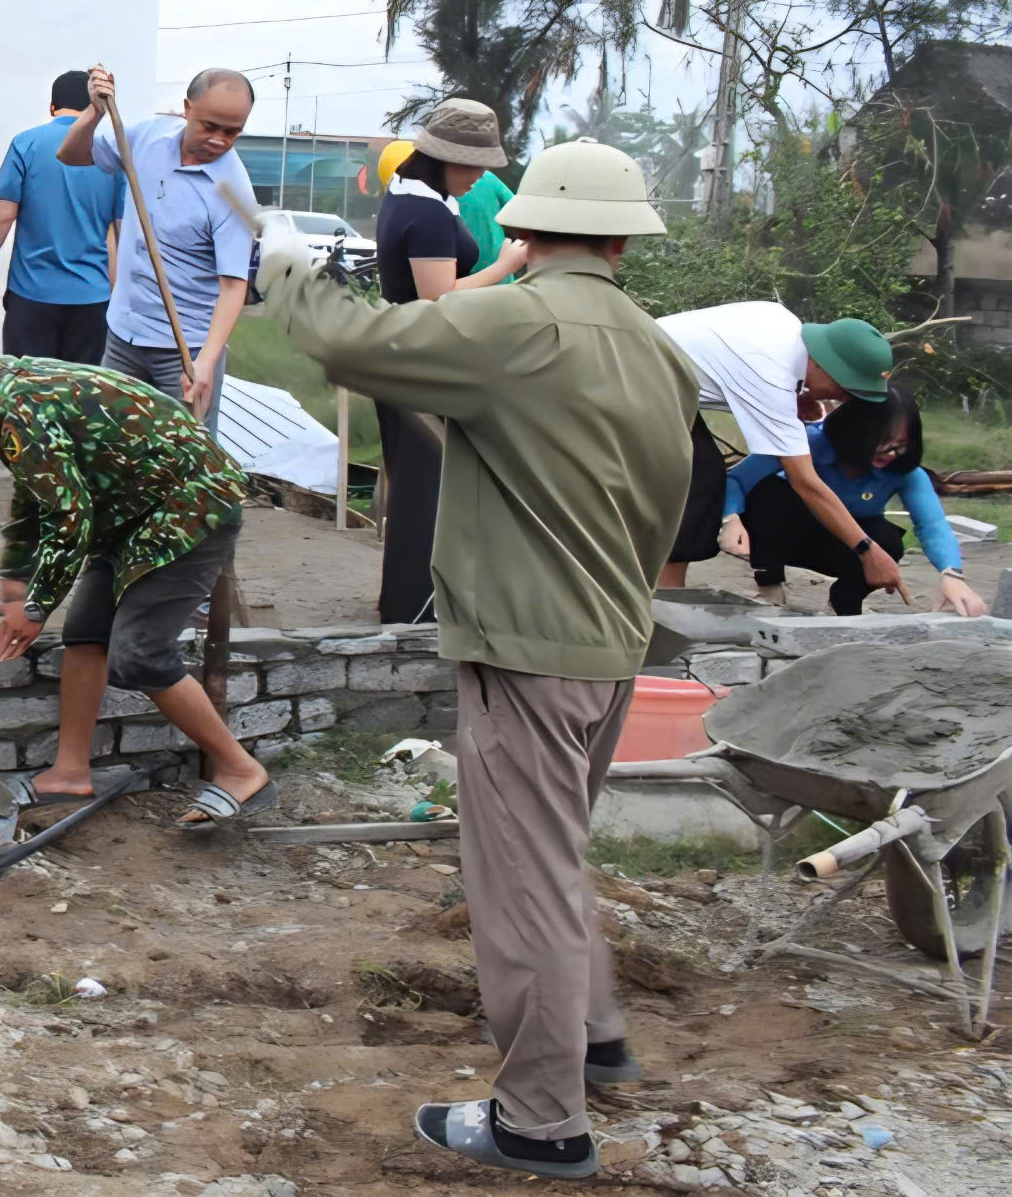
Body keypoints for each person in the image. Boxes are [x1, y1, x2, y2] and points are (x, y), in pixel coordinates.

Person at [252, 137, 697, 1181]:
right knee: (553, 858)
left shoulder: (516, 320)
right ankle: (593, 1033)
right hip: (604, 647)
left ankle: (541, 1118)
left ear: (521, 227)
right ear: (626, 241)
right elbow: (660, 511)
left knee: (519, 886)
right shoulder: (657, 348)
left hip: (526, 652)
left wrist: (278, 260)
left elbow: (354, 343)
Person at [0, 335, 275, 826]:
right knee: (86, 633)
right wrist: (17, 584)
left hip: (189, 509)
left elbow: (67, 515)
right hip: (131, 513)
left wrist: (36, 606)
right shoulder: (13, 386)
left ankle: (240, 769)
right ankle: (69, 772)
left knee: (140, 652)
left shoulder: (14, 407)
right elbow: (36, 493)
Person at [370, 100, 529, 623]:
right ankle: (416, 610)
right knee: (427, 488)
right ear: (441, 157)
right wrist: (505, 265)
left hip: (401, 353)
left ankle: (410, 604)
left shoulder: (408, 191)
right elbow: (438, 298)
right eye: (473, 165)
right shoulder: (428, 213)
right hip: (420, 359)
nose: (481, 176)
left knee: (418, 484)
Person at [57, 65, 259, 426]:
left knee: (184, 463)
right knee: (112, 446)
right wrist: (95, 112)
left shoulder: (234, 191)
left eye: (232, 133)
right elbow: (71, 154)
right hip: (123, 336)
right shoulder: (147, 138)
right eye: (209, 126)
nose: (219, 140)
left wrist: (206, 363)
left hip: (185, 352)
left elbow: (233, 287)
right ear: (187, 108)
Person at [654, 301, 900, 598]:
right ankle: (664, 601)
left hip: (646, 370)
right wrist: (868, 551)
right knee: (698, 478)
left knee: (701, 471)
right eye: (846, 389)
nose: (844, 399)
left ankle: (662, 594)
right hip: (635, 381)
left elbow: (723, 369)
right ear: (823, 364)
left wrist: (795, 394)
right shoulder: (774, 375)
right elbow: (807, 484)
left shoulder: (782, 322)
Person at [723, 381, 984, 617]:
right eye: (881, 441)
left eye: (900, 443)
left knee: (889, 541)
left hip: (845, 548)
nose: (890, 451)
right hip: (783, 536)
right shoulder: (807, 443)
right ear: (854, 431)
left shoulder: (905, 472)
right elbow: (737, 479)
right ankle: (769, 589)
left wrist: (952, 575)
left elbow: (933, 525)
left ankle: (845, 603)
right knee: (770, 491)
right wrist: (731, 516)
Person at [0, 69, 124, 365]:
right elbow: (118, 234)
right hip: (93, 299)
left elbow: (2, 216)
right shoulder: (112, 153)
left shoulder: (27, 144)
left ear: (52, 108)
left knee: (27, 394)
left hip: (31, 297)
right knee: (82, 397)